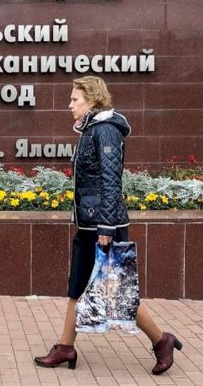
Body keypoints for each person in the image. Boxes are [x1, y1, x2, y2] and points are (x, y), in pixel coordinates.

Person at [34, 76, 182, 375]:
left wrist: (106, 227)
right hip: (90, 223)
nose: (70, 105)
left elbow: (111, 181)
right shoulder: (91, 130)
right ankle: (65, 347)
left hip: (103, 226)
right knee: (78, 285)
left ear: (91, 100)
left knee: (117, 291)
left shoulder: (105, 130)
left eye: (75, 99)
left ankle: (161, 340)